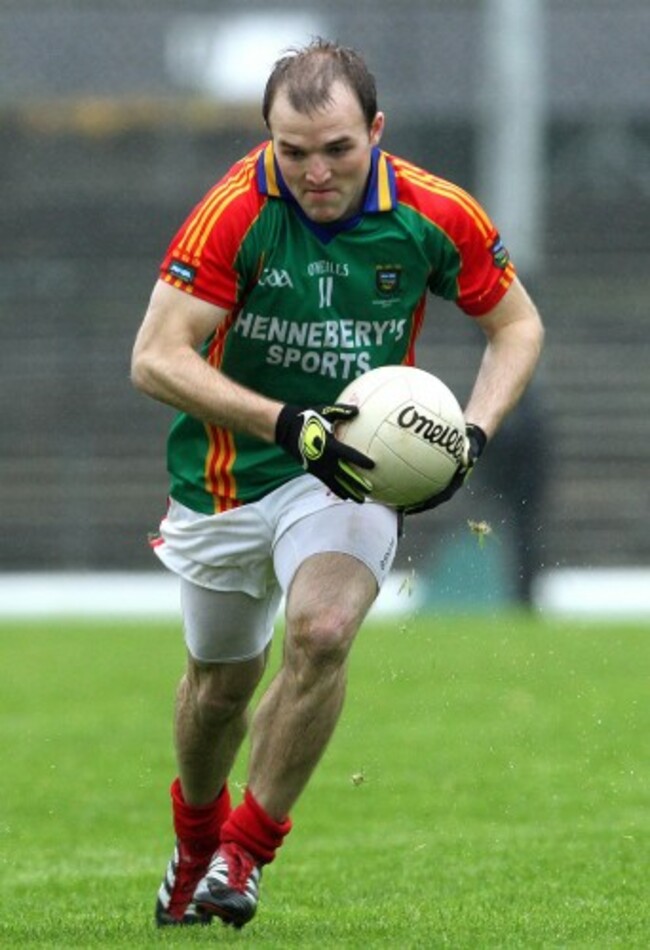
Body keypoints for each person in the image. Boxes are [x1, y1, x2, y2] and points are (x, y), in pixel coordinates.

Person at [131, 37, 544, 930]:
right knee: (219, 689)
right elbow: (155, 358)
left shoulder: (433, 213)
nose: (316, 172)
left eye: (337, 149)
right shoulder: (236, 211)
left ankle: (244, 853)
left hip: (351, 474)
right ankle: (196, 841)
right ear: (268, 139)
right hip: (227, 475)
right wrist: (285, 424)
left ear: (376, 131)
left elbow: (517, 326)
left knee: (321, 633)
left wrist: (471, 435)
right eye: (293, 151)